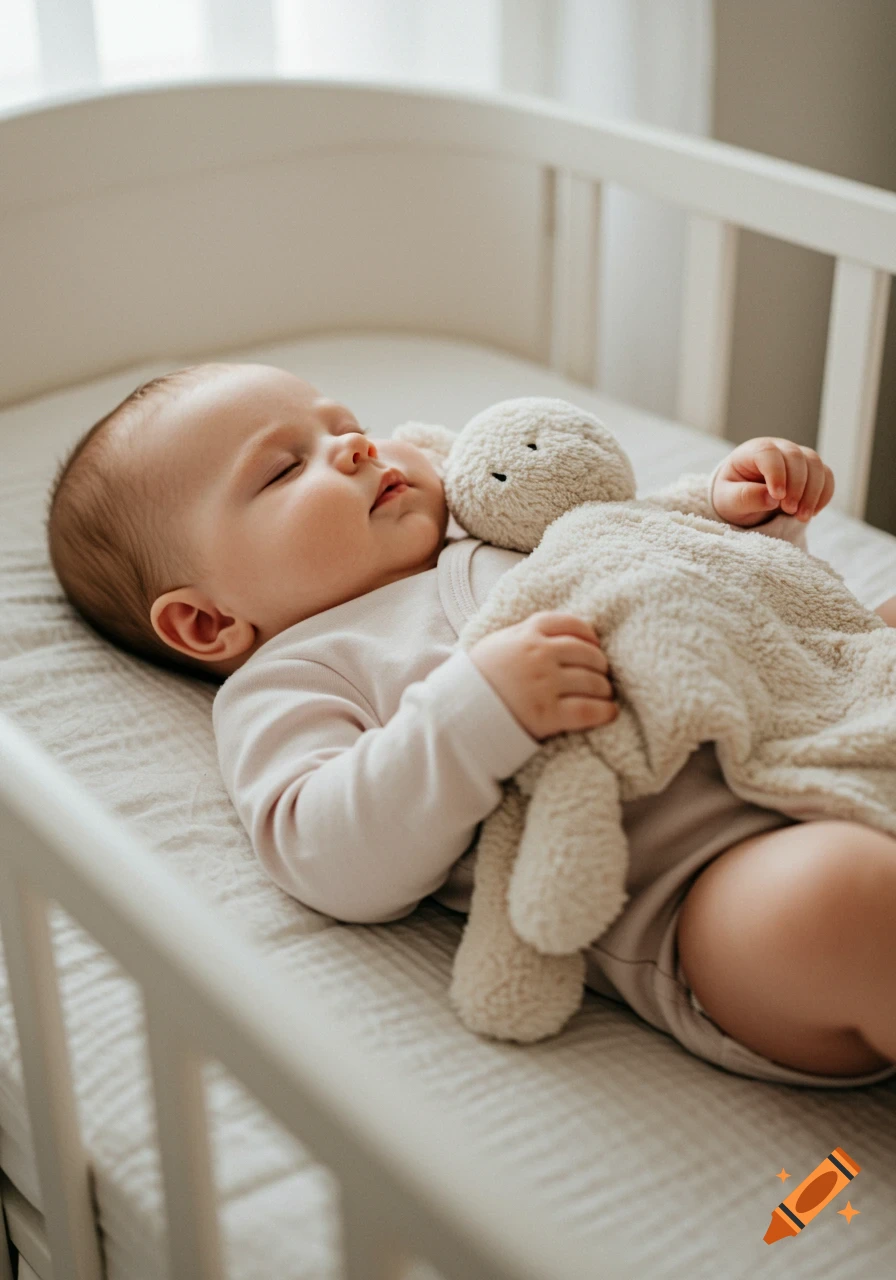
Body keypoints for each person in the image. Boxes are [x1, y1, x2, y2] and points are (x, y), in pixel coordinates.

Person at [47, 361, 896, 1088]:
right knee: (839, 898)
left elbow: (695, 590)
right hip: (711, 883)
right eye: (281, 469)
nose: (353, 447)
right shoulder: (295, 675)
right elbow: (323, 851)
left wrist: (745, 520)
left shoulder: (504, 525)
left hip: (832, 723)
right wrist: (471, 713)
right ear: (206, 623)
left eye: (346, 425)